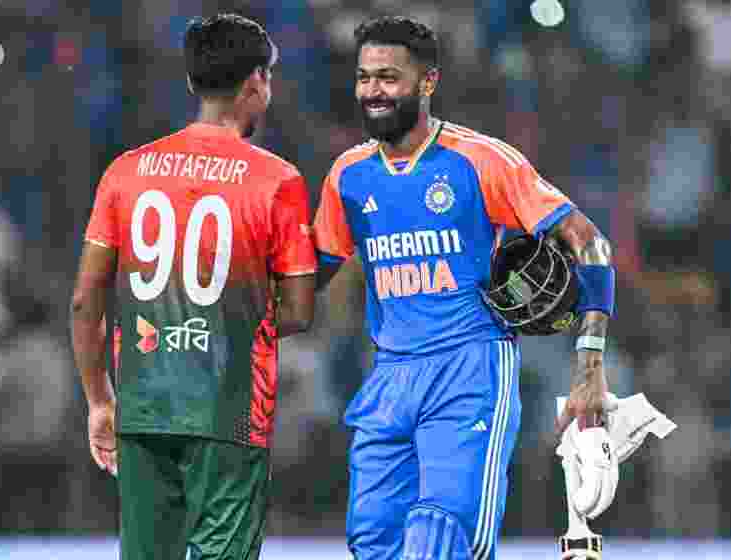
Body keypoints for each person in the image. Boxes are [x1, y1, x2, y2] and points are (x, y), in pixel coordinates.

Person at [312, 15, 616, 560]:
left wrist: (589, 364)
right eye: (363, 78)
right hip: (389, 378)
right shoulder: (348, 176)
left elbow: (590, 244)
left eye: (388, 77)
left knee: (440, 539)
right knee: (372, 543)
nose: (372, 91)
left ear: (428, 82)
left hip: (470, 369)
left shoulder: (482, 160)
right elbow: (306, 278)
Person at [70, 14, 316, 560]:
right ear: (256, 81)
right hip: (230, 413)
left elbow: (86, 301)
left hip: (141, 408)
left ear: (192, 82)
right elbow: (298, 311)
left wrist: (98, 401)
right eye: (268, 82)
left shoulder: (125, 172)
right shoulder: (278, 180)